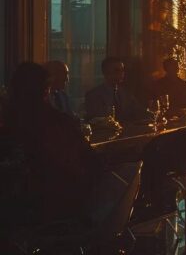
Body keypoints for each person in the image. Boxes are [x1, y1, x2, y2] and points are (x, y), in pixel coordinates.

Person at [4, 62, 104, 225]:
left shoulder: (9, 123)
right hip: (61, 208)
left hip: (16, 213)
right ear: (46, 90)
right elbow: (91, 163)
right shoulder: (58, 123)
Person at [83, 57, 147, 125]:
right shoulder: (93, 95)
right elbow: (95, 121)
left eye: (122, 70)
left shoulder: (126, 93)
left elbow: (139, 111)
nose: (121, 73)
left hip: (127, 133)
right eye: (117, 70)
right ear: (105, 72)